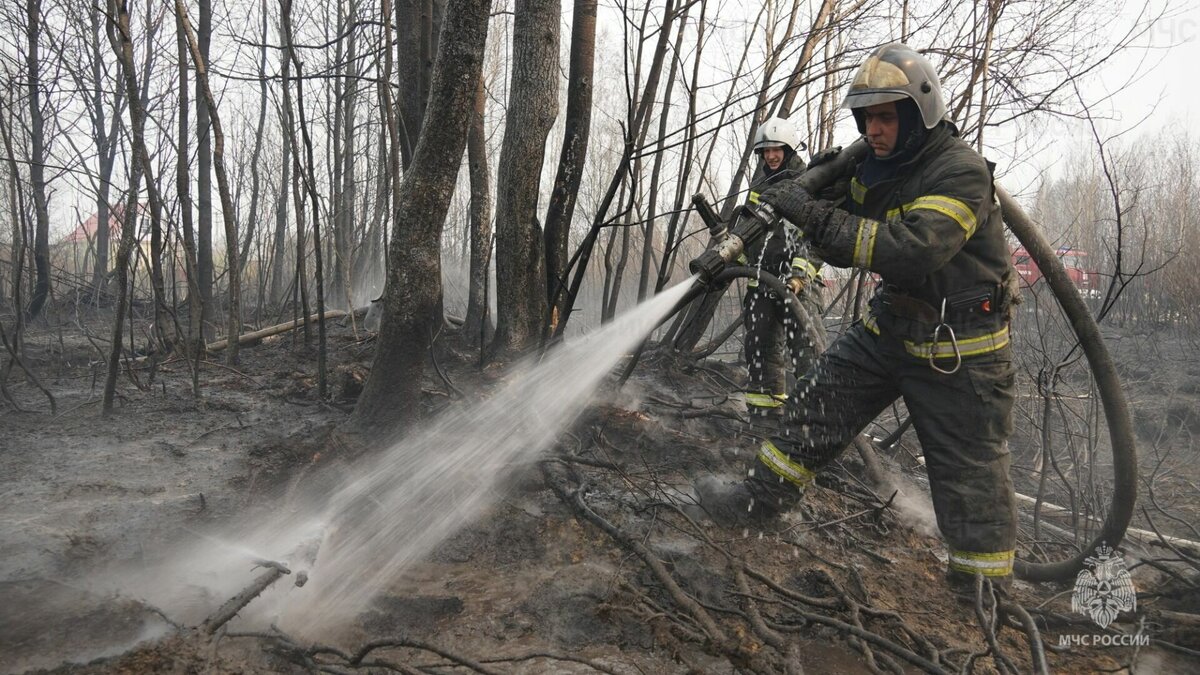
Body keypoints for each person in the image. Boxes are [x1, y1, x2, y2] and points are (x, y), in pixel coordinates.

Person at [700, 43, 1021, 591]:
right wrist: (812, 184)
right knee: (810, 410)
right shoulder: (876, 168)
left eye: (885, 116)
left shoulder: (960, 173)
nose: (873, 129)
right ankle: (759, 505)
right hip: (891, 325)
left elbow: (907, 248)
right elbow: (841, 218)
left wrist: (808, 208)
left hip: (960, 347)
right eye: (866, 117)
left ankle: (981, 592)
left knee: (971, 478)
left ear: (919, 112)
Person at [740, 117, 824, 421]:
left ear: (788, 150)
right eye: (766, 151)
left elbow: (818, 235)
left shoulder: (810, 180)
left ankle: (811, 423)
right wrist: (732, 260)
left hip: (796, 287)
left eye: (777, 150)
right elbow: (749, 228)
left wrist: (800, 275)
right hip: (761, 283)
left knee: (808, 354)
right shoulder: (759, 182)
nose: (771, 156)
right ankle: (764, 419)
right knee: (760, 353)